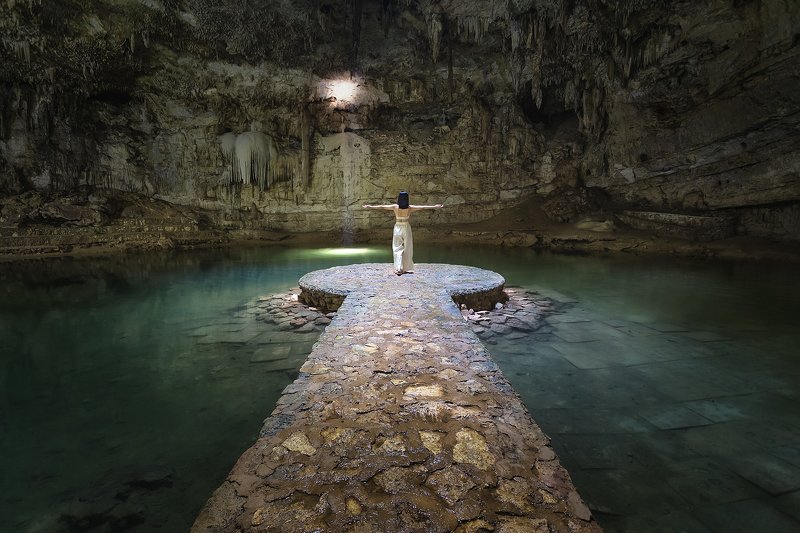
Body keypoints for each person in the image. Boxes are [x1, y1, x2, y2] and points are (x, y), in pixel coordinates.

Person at [363, 191, 443, 275]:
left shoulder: (395, 207)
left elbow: (382, 207)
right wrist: (434, 206)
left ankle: (398, 268)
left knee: (397, 247)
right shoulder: (409, 208)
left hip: (398, 226)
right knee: (408, 247)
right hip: (406, 227)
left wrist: (370, 206)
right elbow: (422, 207)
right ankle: (406, 268)